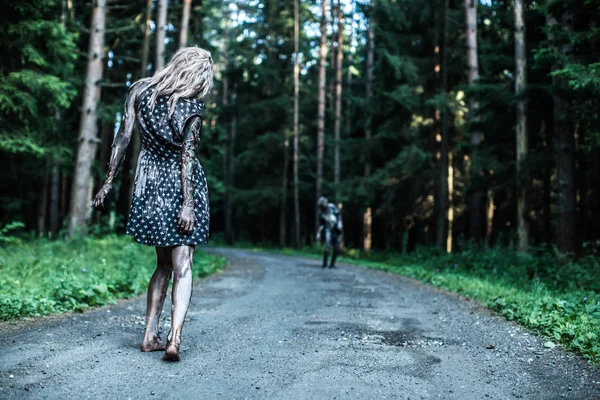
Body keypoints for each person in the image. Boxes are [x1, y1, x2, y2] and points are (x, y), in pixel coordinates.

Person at [93, 47, 214, 362]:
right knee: (183, 263)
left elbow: (122, 139)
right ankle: (174, 339)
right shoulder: (191, 107)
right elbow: (186, 157)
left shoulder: (139, 91)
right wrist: (188, 204)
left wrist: (108, 182)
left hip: (150, 186)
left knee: (163, 265)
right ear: (195, 74)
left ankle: (149, 336)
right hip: (183, 185)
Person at [316, 197, 343, 269]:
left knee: (336, 247)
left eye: (325, 202)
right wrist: (318, 233)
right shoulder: (321, 212)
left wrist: (339, 223)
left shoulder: (332, 206)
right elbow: (321, 224)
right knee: (328, 247)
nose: (325, 204)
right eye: (323, 203)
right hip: (328, 229)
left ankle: (332, 264)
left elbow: (338, 214)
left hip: (336, 229)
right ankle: (324, 264)